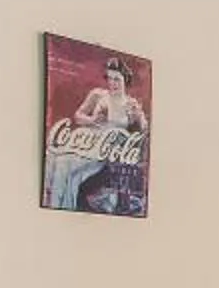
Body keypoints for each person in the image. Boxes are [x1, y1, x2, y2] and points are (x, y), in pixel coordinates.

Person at [44, 54, 149, 213]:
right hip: (88, 140)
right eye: (110, 78)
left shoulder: (131, 104)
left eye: (117, 79)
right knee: (58, 161)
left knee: (67, 167)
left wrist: (138, 117)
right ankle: (55, 206)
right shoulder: (98, 94)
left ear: (125, 80)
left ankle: (60, 208)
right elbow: (78, 116)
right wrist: (92, 119)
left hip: (106, 148)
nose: (112, 83)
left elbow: (144, 129)